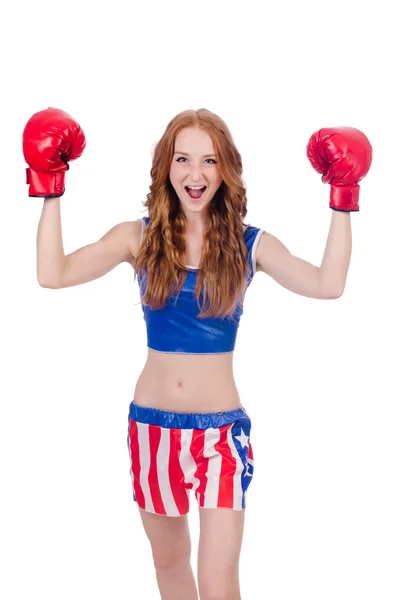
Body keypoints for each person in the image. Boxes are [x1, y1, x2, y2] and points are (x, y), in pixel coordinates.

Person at [23, 107, 372, 600]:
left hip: (220, 436)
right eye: (183, 158)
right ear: (167, 166)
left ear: (225, 169)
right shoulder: (137, 237)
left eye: (208, 161)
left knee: (217, 581)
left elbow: (327, 283)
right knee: (169, 564)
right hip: (151, 429)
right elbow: (52, 273)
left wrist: (343, 196)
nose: (195, 173)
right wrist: (49, 184)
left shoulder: (250, 245)